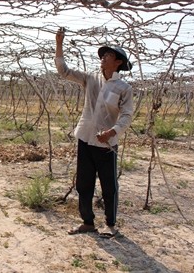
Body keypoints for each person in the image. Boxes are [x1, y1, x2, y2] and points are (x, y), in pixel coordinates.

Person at [54, 28, 134, 238]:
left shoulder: (123, 88)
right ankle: (87, 222)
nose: (103, 59)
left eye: (107, 55)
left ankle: (110, 224)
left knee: (109, 186)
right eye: (103, 55)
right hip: (85, 138)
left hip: (106, 144)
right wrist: (59, 44)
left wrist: (112, 132)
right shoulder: (91, 79)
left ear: (118, 62)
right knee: (84, 182)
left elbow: (126, 115)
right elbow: (64, 71)